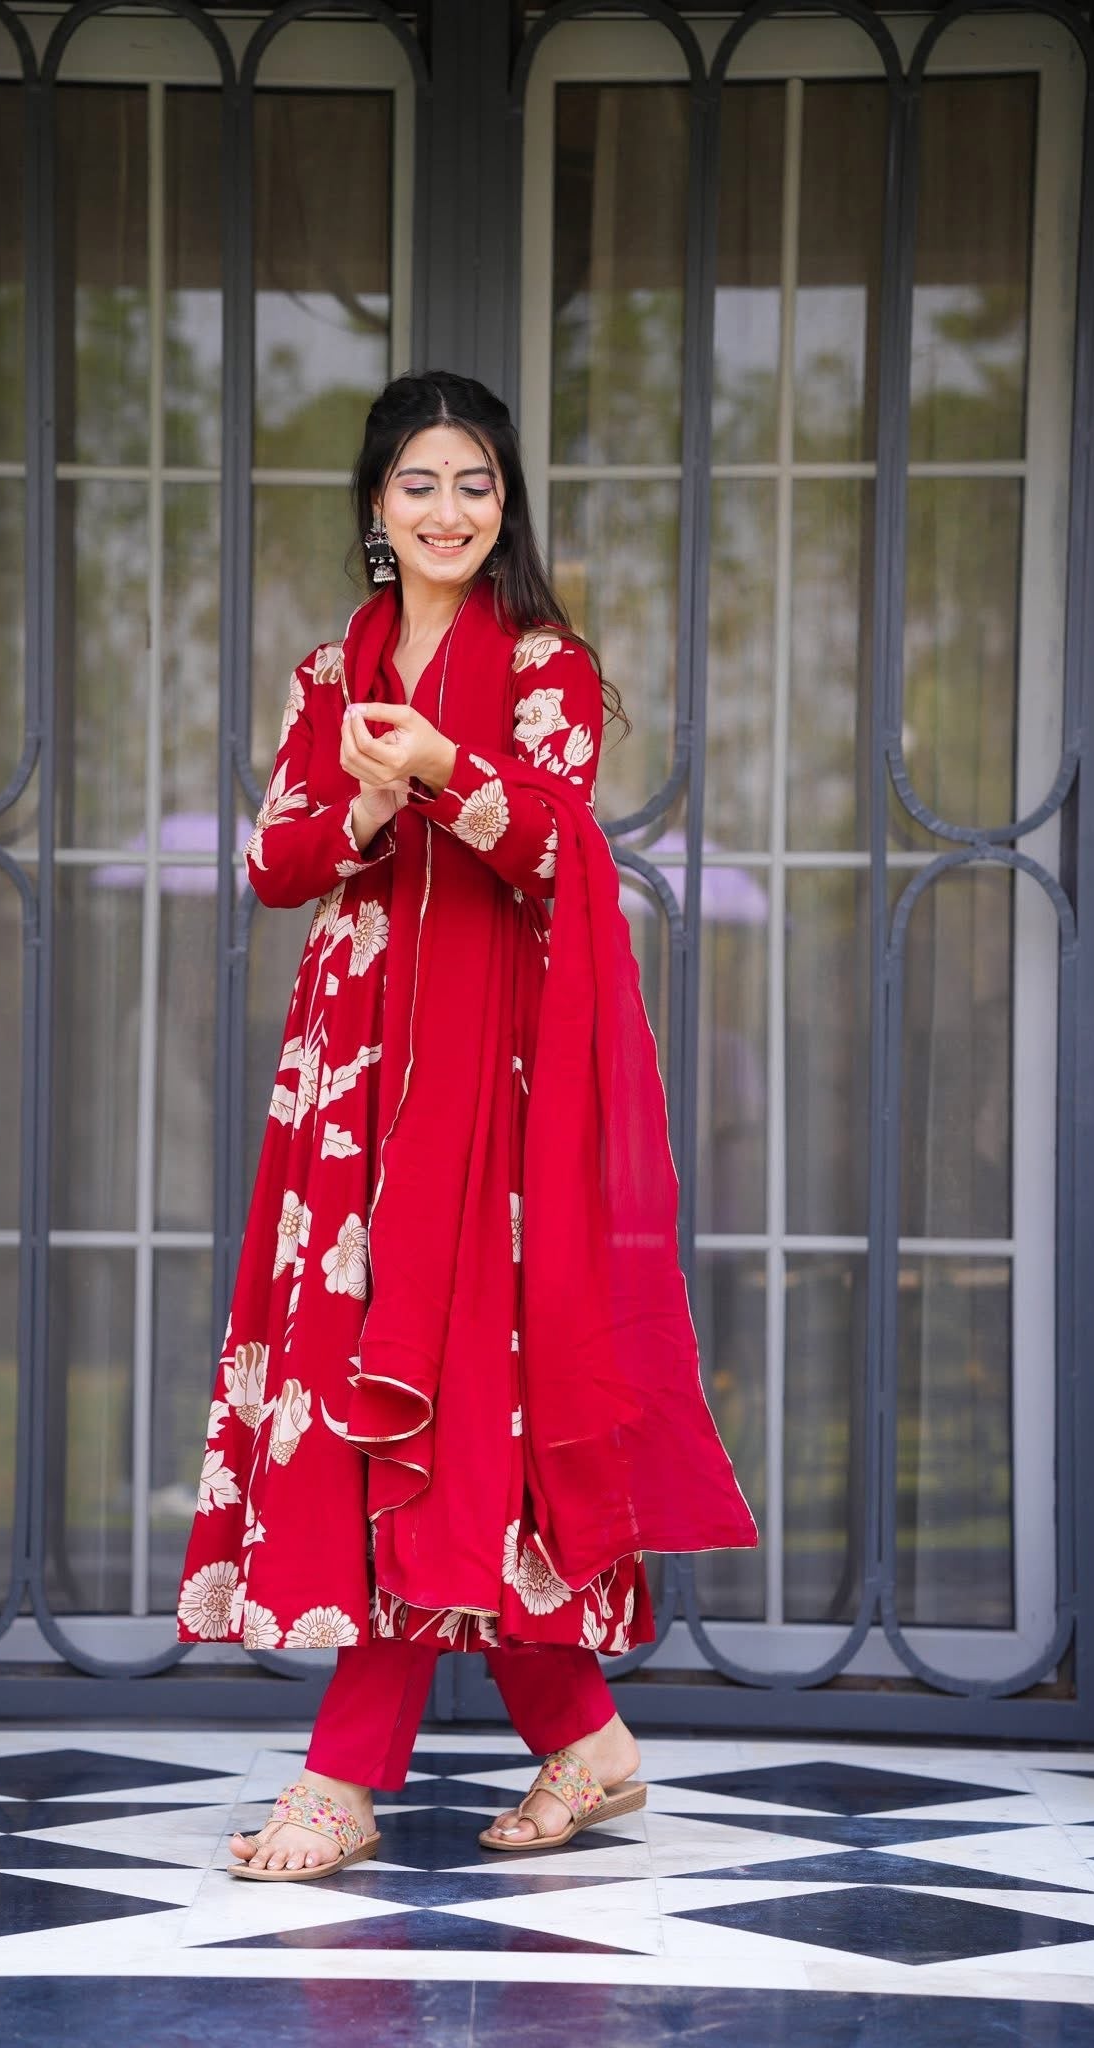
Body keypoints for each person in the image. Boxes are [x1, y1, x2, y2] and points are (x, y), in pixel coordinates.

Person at [175, 370, 757, 1880]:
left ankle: (342, 1781)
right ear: (376, 505)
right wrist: (370, 807)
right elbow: (274, 862)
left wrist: (444, 769)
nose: (448, 511)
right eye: (420, 483)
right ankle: (583, 1736)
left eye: (475, 485)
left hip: (490, 1084)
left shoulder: (547, 665)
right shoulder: (329, 671)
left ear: (506, 506)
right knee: (397, 1393)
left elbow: (557, 850)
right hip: (351, 1088)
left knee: (451, 1396)